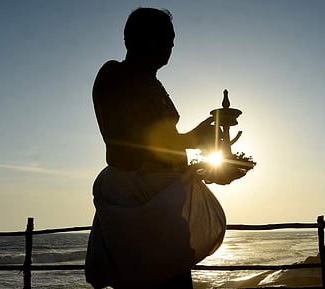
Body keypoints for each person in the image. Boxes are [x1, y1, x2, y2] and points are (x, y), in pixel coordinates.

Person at [85, 8, 227, 289]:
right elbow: (130, 147)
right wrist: (195, 137)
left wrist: (208, 163)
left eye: (172, 41)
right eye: (164, 39)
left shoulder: (152, 82)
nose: (170, 47)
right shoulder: (116, 74)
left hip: (166, 206)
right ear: (135, 39)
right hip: (140, 207)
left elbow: (167, 152)